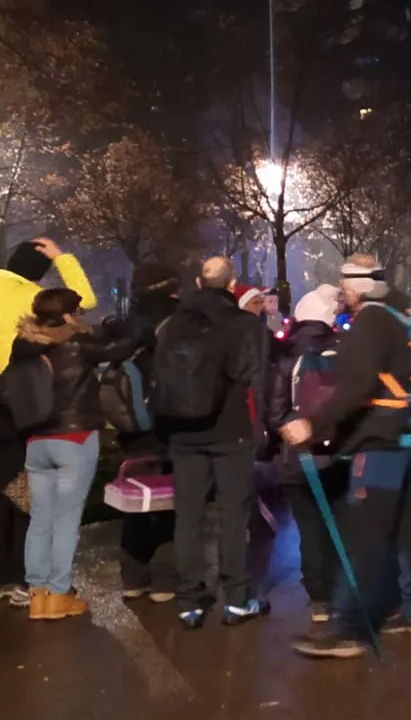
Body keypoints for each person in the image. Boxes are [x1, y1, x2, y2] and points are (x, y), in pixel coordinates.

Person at [280, 255, 411, 659]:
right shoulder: (399, 318)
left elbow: (356, 385)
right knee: (405, 529)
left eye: (346, 281)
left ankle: (348, 629)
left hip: (379, 441)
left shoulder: (369, 322)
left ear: (362, 284)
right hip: (407, 436)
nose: (342, 288)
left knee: (363, 537)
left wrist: (312, 424)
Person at [0, 238, 95, 602]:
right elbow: (83, 301)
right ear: (37, 272)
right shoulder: (28, 296)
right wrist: (63, 257)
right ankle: (23, 576)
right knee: (26, 490)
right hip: (20, 402)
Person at [156, 256, 270, 629]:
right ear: (232, 283)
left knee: (187, 516)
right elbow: (254, 375)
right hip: (230, 430)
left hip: (183, 432)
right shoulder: (244, 324)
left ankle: (189, 600)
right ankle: (237, 600)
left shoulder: (173, 324)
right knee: (233, 516)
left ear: (199, 284)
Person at [7, 288, 134, 621]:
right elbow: (121, 347)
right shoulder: (77, 347)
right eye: (77, 311)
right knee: (66, 520)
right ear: (67, 315)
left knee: (40, 519)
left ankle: (38, 596)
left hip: (36, 441)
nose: (81, 317)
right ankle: (60, 593)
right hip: (74, 438)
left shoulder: (23, 347)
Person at [266, 282, 346, 624]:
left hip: (297, 457)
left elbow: (274, 411)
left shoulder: (284, 356)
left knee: (309, 527)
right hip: (340, 453)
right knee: (339, 522)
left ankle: (319, 600)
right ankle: (344, 590)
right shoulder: (344, 351)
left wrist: (294, 431)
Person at [104, 262, 180, 602]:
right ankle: (165, 580)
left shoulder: (128, 321)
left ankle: (133, 577)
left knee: (136, 502)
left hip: (132, 425)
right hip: (166, 422)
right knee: (167, 503)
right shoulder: (176, 322)